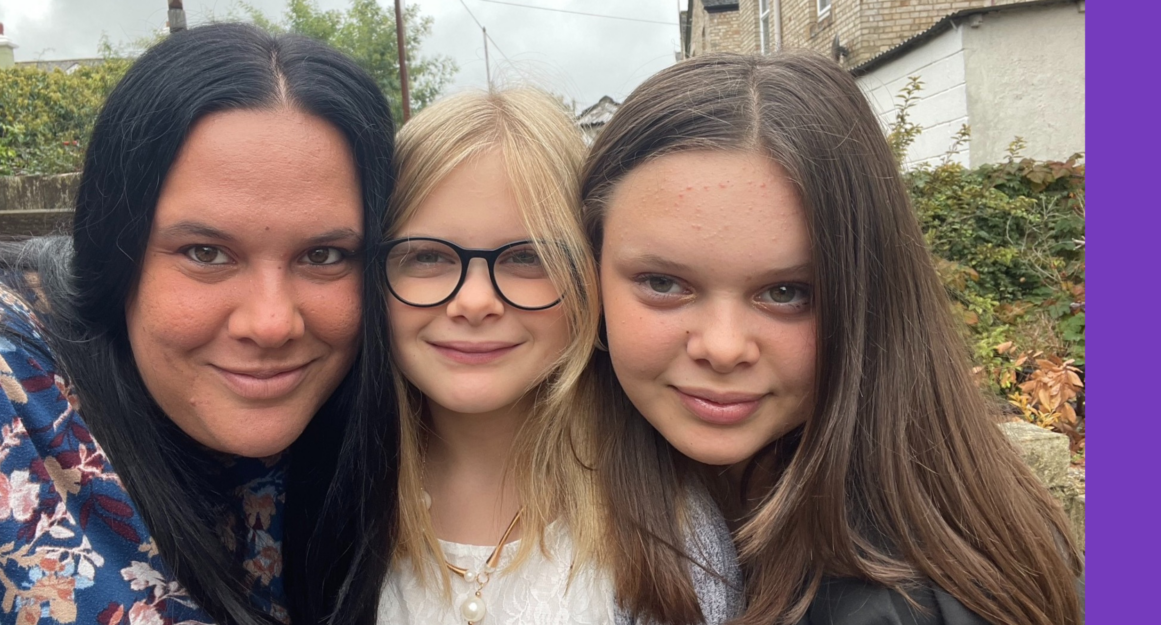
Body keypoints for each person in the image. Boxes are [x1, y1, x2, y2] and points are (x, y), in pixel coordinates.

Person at [0, 25, 398, 625]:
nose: (271, 324)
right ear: (116, 252)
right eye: (206, 253)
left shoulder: (400, 405)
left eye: (324, 257)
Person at [580, 53, 1083, 625]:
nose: (721, 348)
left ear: (872, 298)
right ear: (587, 270)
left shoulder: (918, 604)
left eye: (788, 293)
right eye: (664, 283)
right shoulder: (543, 491)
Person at [374, 88, 739, 625]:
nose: (474, 303)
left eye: (528, 257)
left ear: (589, 279)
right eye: (427, 256)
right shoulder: (321, 498)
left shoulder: (669, 535)